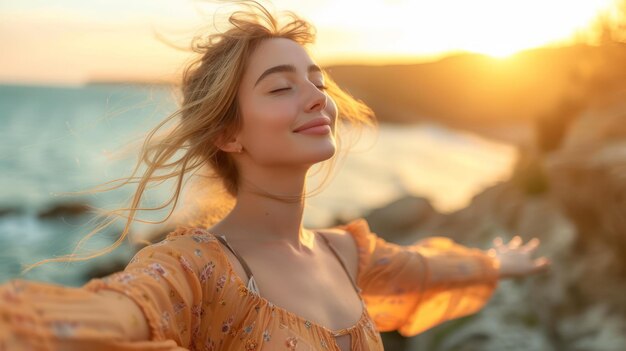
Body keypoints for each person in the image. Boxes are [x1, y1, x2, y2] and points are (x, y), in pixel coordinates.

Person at [0, 1, 550, 350]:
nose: (316, 97)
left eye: (316, 80)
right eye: (282, 86)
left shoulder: (348, 254)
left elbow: (429, 270)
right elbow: (124, 309)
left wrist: (499, 262)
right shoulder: (197, 267)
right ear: (229, 135)